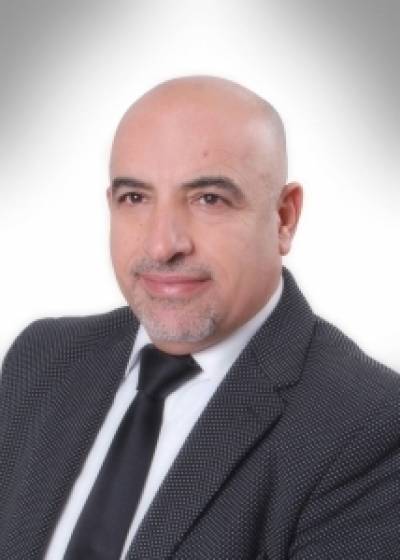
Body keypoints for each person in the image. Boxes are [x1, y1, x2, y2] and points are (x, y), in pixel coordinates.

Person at [0, 76, 399, 560]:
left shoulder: (368, 425)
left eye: (209, 198)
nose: (162, 245)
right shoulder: (42, 358)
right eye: (135, 198)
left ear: (284, 217)